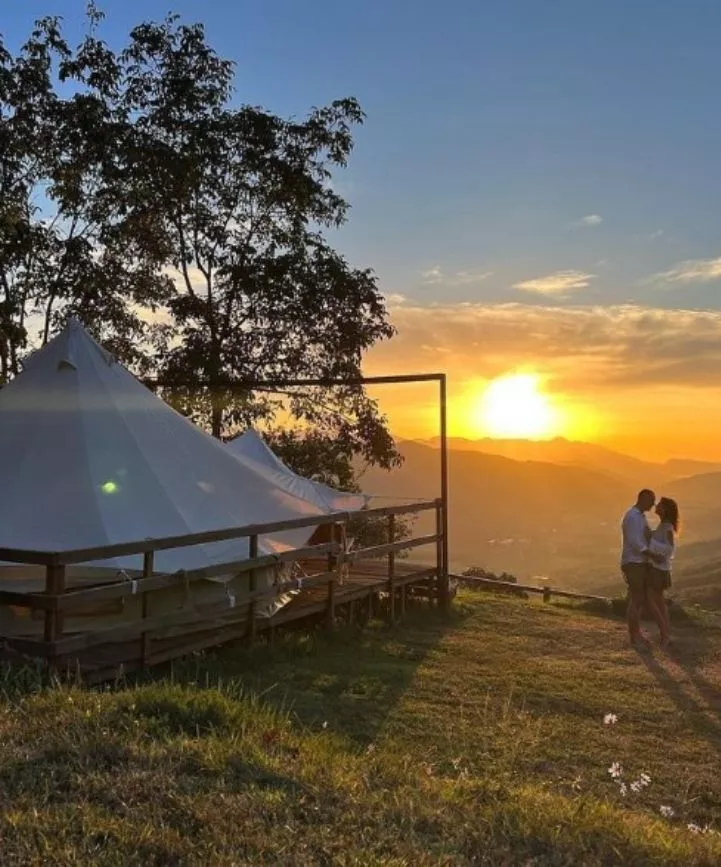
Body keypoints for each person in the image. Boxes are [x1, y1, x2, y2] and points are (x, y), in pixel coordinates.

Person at [621, 489, 655, 646]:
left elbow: (644, 536)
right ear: (643, 499)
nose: (652, 504)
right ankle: (634, 635)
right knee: (637, 598)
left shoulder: (640, 516)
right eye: (651, 501)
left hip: (639, 561)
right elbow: (635, 542)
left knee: (639, 599)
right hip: (634, 561)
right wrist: (651, 554)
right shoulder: (633, 516)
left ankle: (636, 632)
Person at [645, 497, 679, 648]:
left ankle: (665, 634)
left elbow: (670, 549)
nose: (655, 506)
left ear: (664, 509)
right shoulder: (663, 526)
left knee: (652, 600)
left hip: (659, 570)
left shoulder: (666, 527)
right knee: (659, 601)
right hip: (659, 569)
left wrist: (649, 541)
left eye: (659, 504)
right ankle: (666, 634)